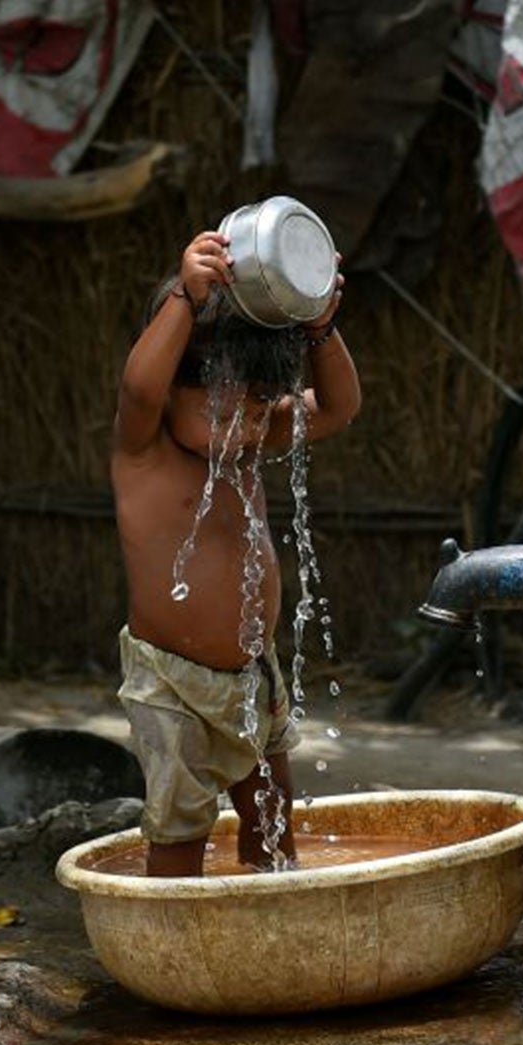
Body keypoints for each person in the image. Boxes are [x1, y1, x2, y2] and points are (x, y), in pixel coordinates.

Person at [111, 226, 362, 876]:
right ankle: (173, 952)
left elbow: (339, 406)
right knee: (179, 826)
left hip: (254, 676)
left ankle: (271, 931)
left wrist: (319, 331)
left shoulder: (251, 440)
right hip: (172, 684)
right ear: (173, 394)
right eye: (221, 412)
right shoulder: (144, 449)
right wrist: (184, 301)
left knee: (273, 819)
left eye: (255, 410)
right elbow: (139, 387)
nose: (244, 430)